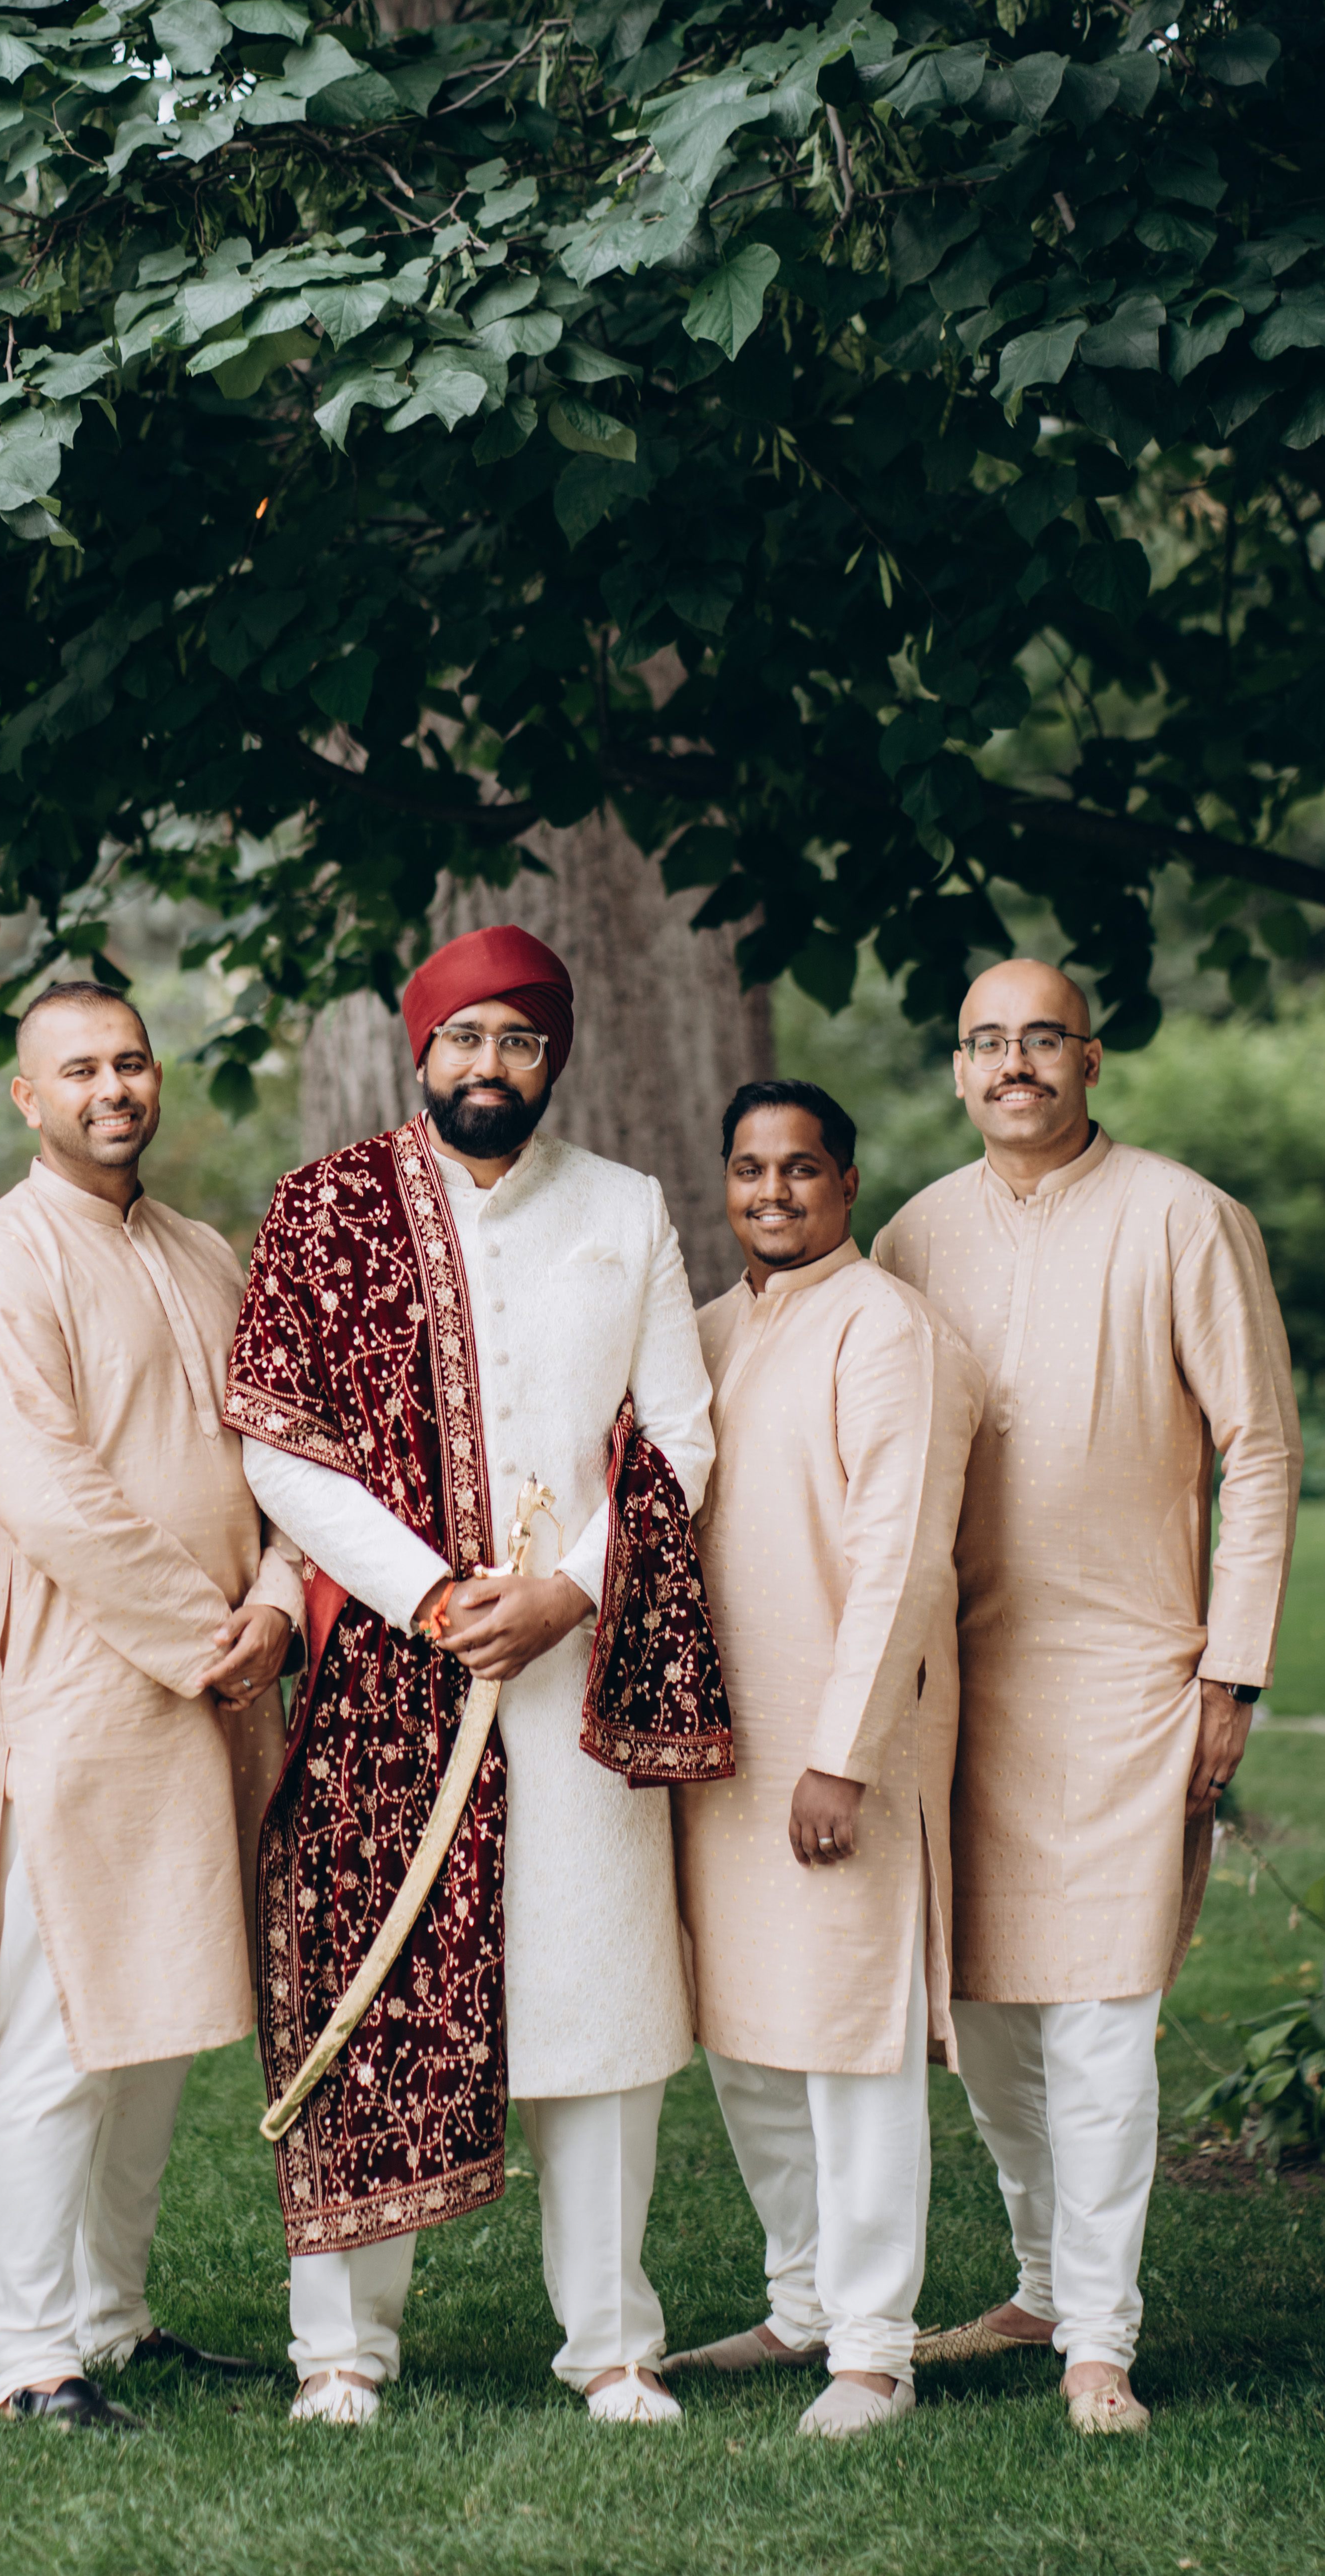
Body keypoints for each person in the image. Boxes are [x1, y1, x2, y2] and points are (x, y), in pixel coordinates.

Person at [225, 924, 730, 2429]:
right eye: (465, 1037)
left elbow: (679, 1431)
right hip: (391, 1677)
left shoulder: (625, 1206)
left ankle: (613, 2348)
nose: (490, 1063)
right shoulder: (325, 1210)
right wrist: (434, 1598)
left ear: (551, 1055)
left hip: (577, 1672)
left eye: (519, 1038)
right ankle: (342, 2352)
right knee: (371, 1998)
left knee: (600, 2001)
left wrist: (568, 1592)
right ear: (421, 1049)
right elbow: (280, 1447)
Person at [874, 959, 1300, 2435]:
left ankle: (1099, 2341)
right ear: (956, 1069)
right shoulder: (916, 1233)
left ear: (1090, 1060)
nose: (1015, 1065)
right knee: (986, 2018)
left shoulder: (1186, 1217)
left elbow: (1259, 1449)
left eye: (1041, 1039)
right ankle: (1043, 2283)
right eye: (986, 1042)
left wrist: (1231, 1668)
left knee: (1102, 2019)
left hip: (1133, 1673)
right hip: (959, 1681)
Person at [0, 981, 305, 2432]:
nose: (112, 1089)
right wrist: (210, 1633)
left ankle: (112, 2317)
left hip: (223, 1678)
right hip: (85, 1683)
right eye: (77, 1069)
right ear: (28, 1099)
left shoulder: (203, 1252)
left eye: (130, 1062)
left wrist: (280, 1601)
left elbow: (283, 1453)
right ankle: (29, 2359)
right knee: (60, 2014)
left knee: (162, 2008)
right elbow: (46, 1492)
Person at [664, 1082, 983, 2437]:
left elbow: (901, 1558)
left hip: (835, 1752)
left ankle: (873, 2352)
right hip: (720, 1754)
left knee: (851, 2045)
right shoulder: (706, 1332)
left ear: (847, 1185)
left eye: (801, 1168)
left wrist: (841, 1755)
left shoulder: (887, 1328)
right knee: (749, 2041)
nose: (773, 1192)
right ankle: (798, 2304)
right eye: (750, 1168)